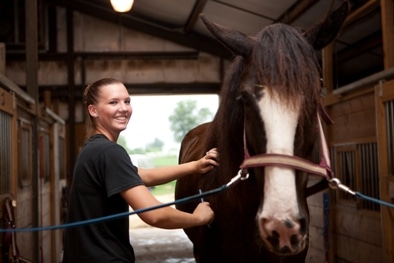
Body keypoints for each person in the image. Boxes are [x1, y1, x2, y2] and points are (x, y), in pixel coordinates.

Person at [63, 77, 219, 262]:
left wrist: (194, 166)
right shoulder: (109, 152)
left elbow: (144, 175)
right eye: (113, 102)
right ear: (93, 110)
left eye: (127, 101)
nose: (123, 108)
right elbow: (154, 215)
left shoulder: (94, 149)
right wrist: (198, 218)